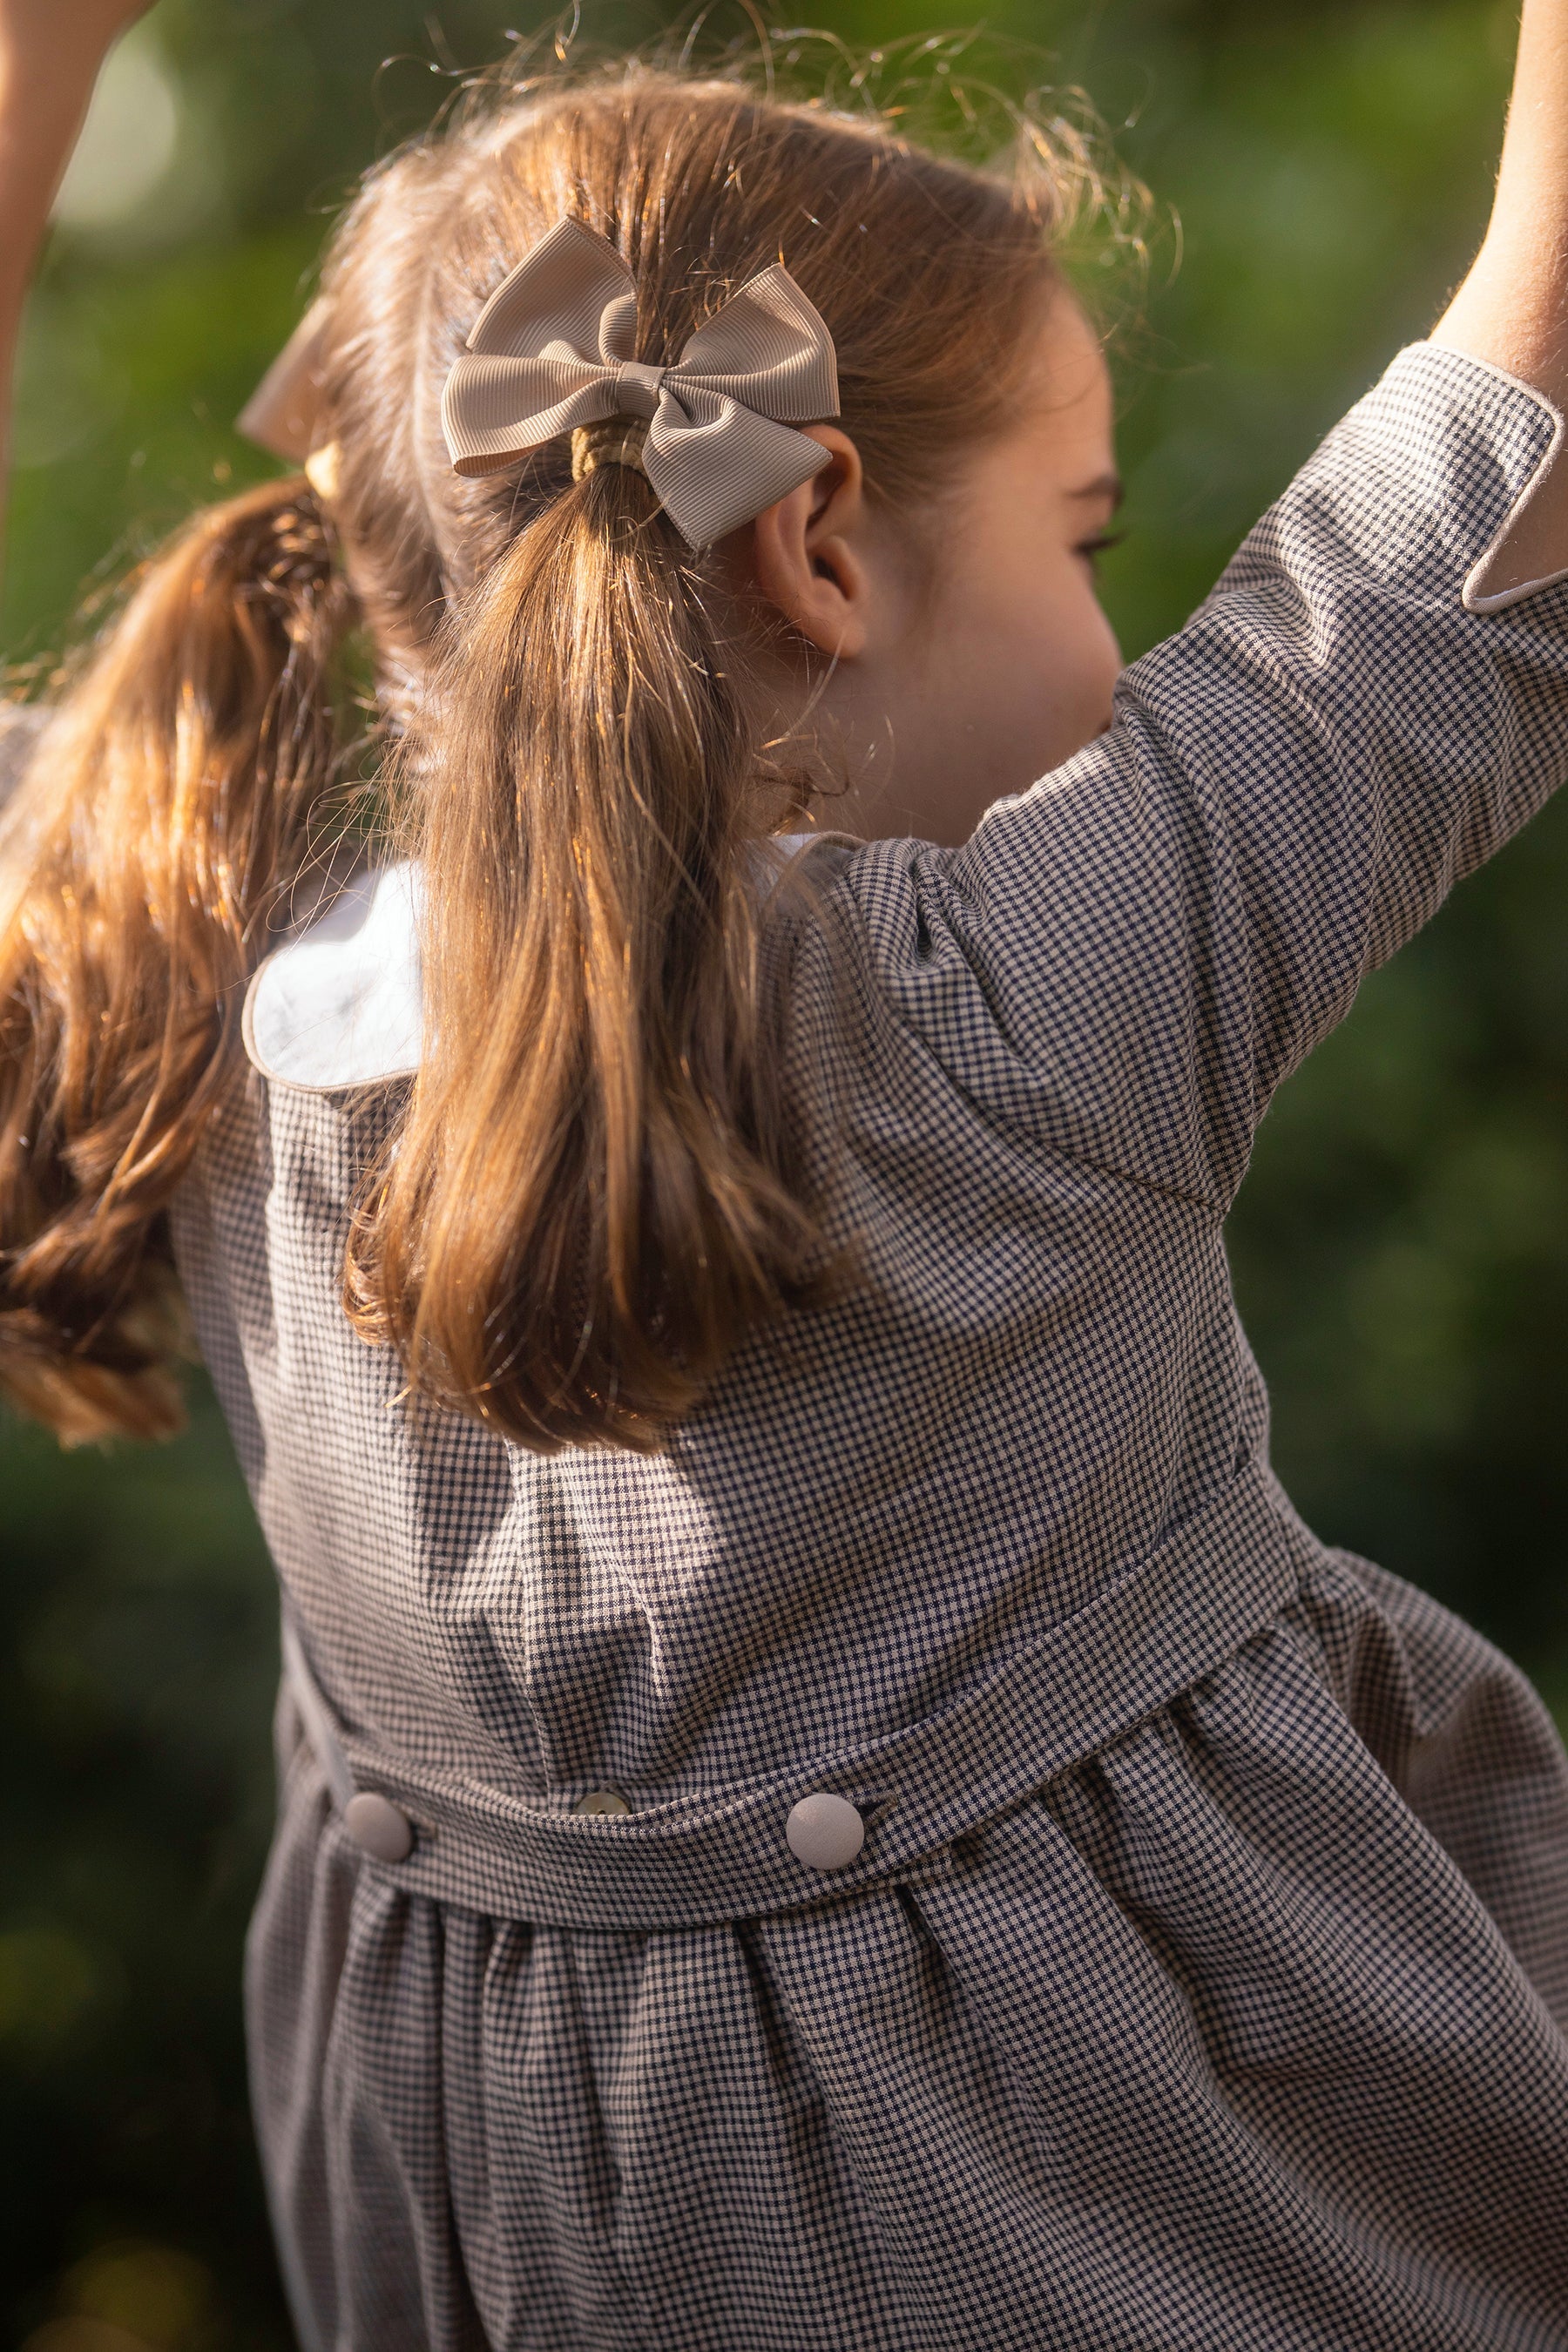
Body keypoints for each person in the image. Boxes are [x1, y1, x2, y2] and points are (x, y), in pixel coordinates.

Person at [3, 2, 1568, 2344]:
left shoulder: (194, 998)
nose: (1117, 633)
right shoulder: (1042, 997)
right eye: (1083, 534)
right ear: (821, 537)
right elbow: (1531, 415)